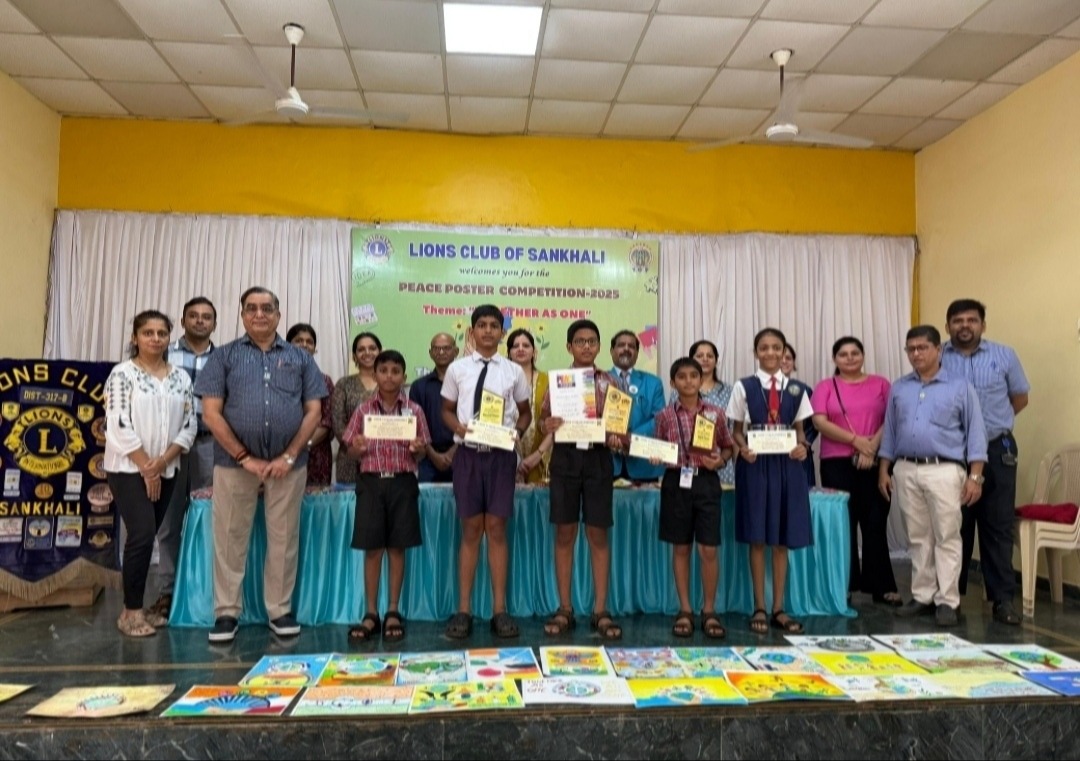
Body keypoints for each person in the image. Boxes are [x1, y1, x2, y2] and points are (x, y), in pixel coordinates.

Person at [195, 287, 327, 643]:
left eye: (267, 308)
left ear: (278, 315)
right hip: (233, 464)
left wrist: (288, 455)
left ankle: (279, 610)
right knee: (229, 537)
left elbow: (314, 410)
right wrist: (245, 458)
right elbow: (211, 413)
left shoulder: (301, 359)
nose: (259, 314)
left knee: (284, 539)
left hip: (289, 465)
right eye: (251, 308)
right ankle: (226, 613)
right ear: (242, 315)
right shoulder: (223, 357)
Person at [878, 325, 987, 628]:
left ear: (939, 350)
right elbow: (890, 431)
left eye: (922, 348)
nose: (916, 354)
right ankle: (923, 595)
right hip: (906, 468)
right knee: (917, 536)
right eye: (910, 349)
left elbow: (976, 433)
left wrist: (975, 477)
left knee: (947, 535)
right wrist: (884, 469)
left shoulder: (960, 386)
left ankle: (948, 600)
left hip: (945, 469)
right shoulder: (900, 387)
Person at [441, 305, 531, 639]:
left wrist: (515, 434)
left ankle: (499, 610)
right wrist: (461, 430)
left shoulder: (513, 371)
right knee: (470, 529)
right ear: (473, 331)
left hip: (500, 457)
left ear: (502, 332)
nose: (488, 331)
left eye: (495, 325)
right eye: (482, 325)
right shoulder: (457, 368)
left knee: (495, 528)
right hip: (467, 455)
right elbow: (446, 410)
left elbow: (524, 413)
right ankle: (463, 610)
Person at [104, 310, 196, 637]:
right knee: (142, 534)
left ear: (169, 337)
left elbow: (189, 425)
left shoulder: (180, 378)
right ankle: (130, 612)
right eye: (148, 333)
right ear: (135, 338)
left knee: (148, 538)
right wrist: (146, 466)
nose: (155, 338)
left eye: (161, 333)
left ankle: (138, 607)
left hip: (166, 468)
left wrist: (160, 464)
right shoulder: (122, 375)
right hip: (128, 468)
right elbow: (116, 424)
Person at [942, 299, 1029, 626]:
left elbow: (1019, 398)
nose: (965, 326)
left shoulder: (1004, 356)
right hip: (952, 451)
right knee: (954, 525)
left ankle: (1003, 599)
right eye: (958, 320)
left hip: (997, 448)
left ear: (982, 325)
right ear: (948, 325)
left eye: (972, 320)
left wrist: (992, 424)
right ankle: (950, 599)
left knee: (997, 525)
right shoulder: (937, 356)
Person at [540, 319, 624, 640]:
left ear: (599, 346)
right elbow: (547, 420)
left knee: (598, 534)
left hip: (598, 459)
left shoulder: (610, 383)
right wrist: (550, 423)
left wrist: (615, 436)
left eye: (591, 341)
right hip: (565, 459)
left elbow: (618, 426)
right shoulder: (558, 382)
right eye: (580, 342)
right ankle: (565, 608)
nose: (586, 346)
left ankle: (600, 610)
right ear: (569, 347)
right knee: (564, 533)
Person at [727, 327, 813, 635]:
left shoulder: (796, 390)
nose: (771, 353)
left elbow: (801, 431)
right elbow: (736, 430)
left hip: (787, 466)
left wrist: (803, 447)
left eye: (777, 348)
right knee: (758, 537)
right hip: (755, 465)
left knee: (781, 539)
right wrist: (742, 448)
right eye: (764, 348)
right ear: (756, 352)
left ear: (784, 352)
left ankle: (779, 607)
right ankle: (759, 606)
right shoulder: (744, 386)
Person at [341, 350, 430, 643]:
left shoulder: (414, 410)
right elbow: (350, 450)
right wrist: (357, 446)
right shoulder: (363, 410)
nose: (389, 376)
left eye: (395, 371)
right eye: (384, 370)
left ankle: (393, 610)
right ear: (376, 375)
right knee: (373, 549)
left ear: (404, 376)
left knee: (397, 549)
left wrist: (418, 448)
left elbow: (422, 449)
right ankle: (370, 613)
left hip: (403, 483)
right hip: (371, 483)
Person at [811, 336, 900, 606]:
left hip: (876, 461)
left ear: (863, 355)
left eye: (854, 353)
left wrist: (870, 447)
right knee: (843, 525)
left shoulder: (881, 384)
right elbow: (819, 421)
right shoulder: (826, 386)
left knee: (875, 522)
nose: (849, 358)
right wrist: (855, 441)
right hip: (837, 463)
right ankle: (844, 585)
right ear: (834, 359)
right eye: (843, 354)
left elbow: (893, 419)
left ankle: (881, 586)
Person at [653, 357, 735, 639]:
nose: (688, 381)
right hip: (676, 482)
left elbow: (727, 448)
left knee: (708, 549)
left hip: (707, 481)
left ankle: (709, 610)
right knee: (681, 548)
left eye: (693, 376)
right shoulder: (664, 416)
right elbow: (659, 447)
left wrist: (719, 461)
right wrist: (656, 456)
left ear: (701, 380)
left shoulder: (715, 413)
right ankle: (685, 609)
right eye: (682, 377)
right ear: (673, 382)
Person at [150, 296, 216, 623]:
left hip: (210, 447)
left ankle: (204, 589)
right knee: (169, 522)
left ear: (214, 323)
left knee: (210, 519)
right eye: (194, 315)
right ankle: (168, 591)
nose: (200, 321)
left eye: (206, 317)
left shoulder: (224, 359)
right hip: (171, 449)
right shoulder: (164, 354)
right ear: (183, 319)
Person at [671, 340, 737, 486]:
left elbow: (732, 432)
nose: (705, 359)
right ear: (691, 360)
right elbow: (671, 430)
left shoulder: (729, 391)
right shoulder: (678, 392)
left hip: (719, 463)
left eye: (710, 356)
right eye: (700, 355)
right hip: (686, 465)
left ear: (716, 361)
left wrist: (723, 459)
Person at [608, 329, 665, 484]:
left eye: (631, 346)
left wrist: (629, 438)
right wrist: (611, 436)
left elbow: (659, 418)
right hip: (608, 462)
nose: (626, 349)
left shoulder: (653, 383)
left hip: (644, 462)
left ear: (637, 353)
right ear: (612, 351)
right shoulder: (599, 379)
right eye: (621, 345)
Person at [286, 323, 335, 488]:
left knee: (315, 506)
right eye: (298, 340)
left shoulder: (324, 381)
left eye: (309, 341)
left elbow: (327, 422)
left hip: (316, 454)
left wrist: (301, 446)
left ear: (315, 348)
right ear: (287, 346)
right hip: (282, 455)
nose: (304, 345)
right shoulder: (276, 378)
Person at [331, 332, 381, 485]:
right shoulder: (344, 384)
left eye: (372, 348)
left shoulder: (389, 384)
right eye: (361, 349)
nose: (367, 353)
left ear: (380, 352)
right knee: (351, 507)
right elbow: (338, 423)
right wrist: (355, 448)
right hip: (350, 459)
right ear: (354, 356)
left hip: (382, 459)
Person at [409, 332, 459, 483]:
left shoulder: (466, 383)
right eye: (436, 349)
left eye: (446, 348)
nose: (441, 352)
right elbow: (414, 423)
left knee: (463, 504)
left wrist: (452, 452)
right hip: (428, 458)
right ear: (430, 353)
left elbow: (473, 418)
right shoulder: (419, 386)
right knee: (426, 504)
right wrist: (433, 454)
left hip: (461, 454)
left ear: (456, 351)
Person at [508, 328, 552, 484]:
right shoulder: (499, 381)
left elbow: (556, 424)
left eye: (526, 345)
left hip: (542, 457)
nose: (520, 349)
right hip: (507, 456)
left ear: (534, 352)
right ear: (509, 353)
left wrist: (538, 454)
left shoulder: (549, 381)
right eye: (515, 346)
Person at [781, 345, 818, 487]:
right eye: (780, 358)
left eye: (788, 358)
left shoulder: (804, 390)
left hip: (798, 453)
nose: (784, 361)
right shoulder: (757, 388)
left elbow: (814, 422)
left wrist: (804, 444)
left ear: (794, 363)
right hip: (769, 453)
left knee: (801, 501)